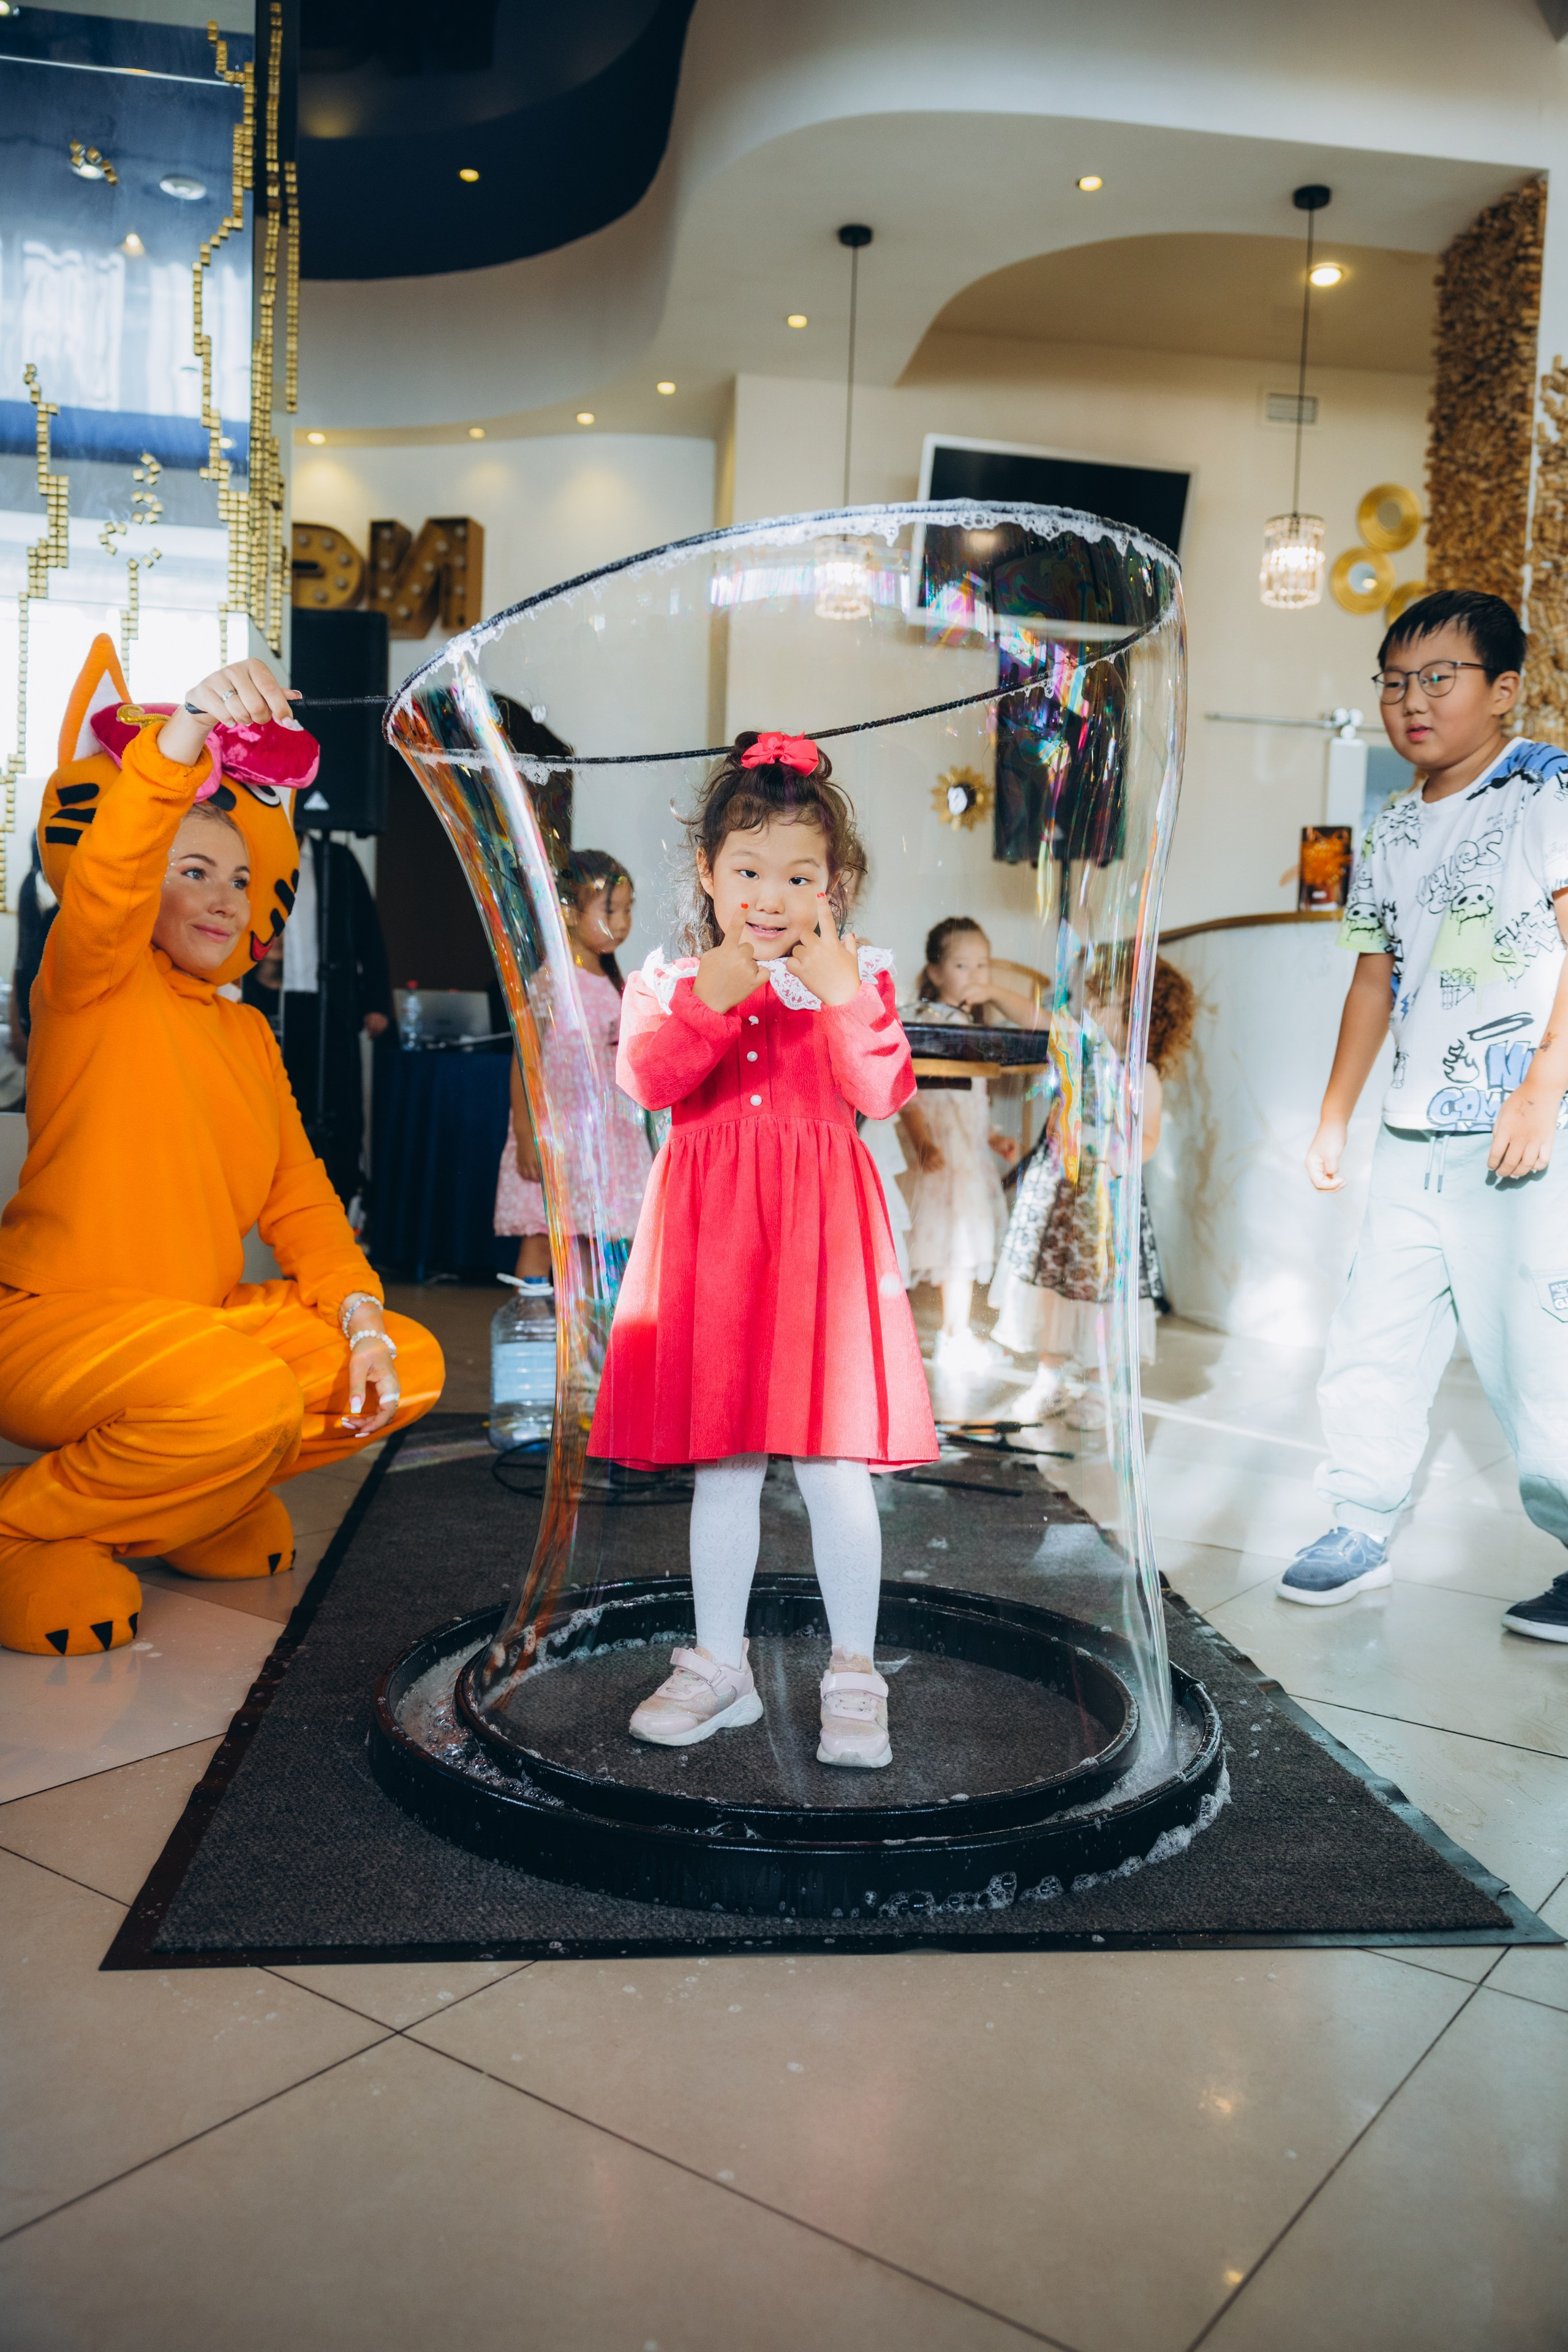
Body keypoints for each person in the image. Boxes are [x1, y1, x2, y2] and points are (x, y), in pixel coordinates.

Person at [0, 635, 443, 1657]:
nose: (222, 899)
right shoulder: (90, 984)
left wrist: (362, 1314)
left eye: (241, 881)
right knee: (239, 1395)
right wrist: (187, 731)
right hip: (52, 1328)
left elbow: (301, 1202)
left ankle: (195, 1497)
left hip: (189, 1331)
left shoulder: (244, 1030)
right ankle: (30, 1525)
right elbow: (107, 880)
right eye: (192, 871)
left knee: (404, 1366)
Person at [587, 729, 937, 1766]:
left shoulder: (854, 978)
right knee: (725, 1466)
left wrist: (839, 995)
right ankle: (719, 1665)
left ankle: (855, 1672)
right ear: (707, 873)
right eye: (747, 871)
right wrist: (715, 992)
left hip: (820, 1247)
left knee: (834, 1466)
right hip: (714, 1247)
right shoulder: (667, 981)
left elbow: (882, 1094)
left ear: (834, 883)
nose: (771, 896)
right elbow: (649, 1082)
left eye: (798, 874)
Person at [1284, 588, 1568, 1639]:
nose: (1411, 701)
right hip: (1413, 1133)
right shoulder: (1394, 821)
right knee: (1374, 1336)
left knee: (1538, 1357)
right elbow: (1374, 981)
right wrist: (1335, 1116)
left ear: (1503, 691)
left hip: (1527, 1135)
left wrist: (1544, 1085)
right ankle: (1356, 1524)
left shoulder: (1549, 790)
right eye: (1394, 681)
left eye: (1437, 679)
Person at [990, 946, 1191, 1429]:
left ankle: (1100, 1389)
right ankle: (1050, 1379)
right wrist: (992, 990)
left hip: (1102, 1201)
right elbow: (1036, 1016)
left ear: (1143, 1016)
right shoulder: (1079, 1045)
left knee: (1101, 1293)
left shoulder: (1139, 1074)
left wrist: (1114, 1160)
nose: (1093, 1010)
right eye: (1094, 999)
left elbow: (1148, 1137)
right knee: (1051, 1293)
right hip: (1059, 1193)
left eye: (1108, 1003)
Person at [494, 848, 652, 1288]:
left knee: (592, 1240)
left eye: (626, 910)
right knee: (543, 1238)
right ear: (566, 912)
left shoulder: (620, 985)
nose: (621, 923)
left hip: (605, 1136)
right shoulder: (551, 981)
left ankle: (586, 1340)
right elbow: (526, 1058)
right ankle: (533, 1331)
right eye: (609, 910)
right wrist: (527, 1135)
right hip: (559, 1135)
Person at [897, 917, 1035, 1370]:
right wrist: (921, 1140)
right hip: (938, 1154)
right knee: (946, 1243)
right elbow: (906, 1091)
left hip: (967, 1156)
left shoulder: (976, 1025)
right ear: (935, 972)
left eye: (982, 964)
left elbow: (973, 1100)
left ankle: (955, 1330)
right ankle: (944, 1333)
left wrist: (993, 1136)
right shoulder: (920, 1020)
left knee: (963, 1247)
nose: (976, 975)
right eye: (962, 964)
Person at [241, 823, 393, 1208]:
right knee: (273, 1099)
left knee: (335, 1100)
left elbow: (368, 933)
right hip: (269, 997)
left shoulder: (336, 861)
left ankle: (339, 1197)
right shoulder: (252, 855)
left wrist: (376, 1001)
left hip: (329, 1002)